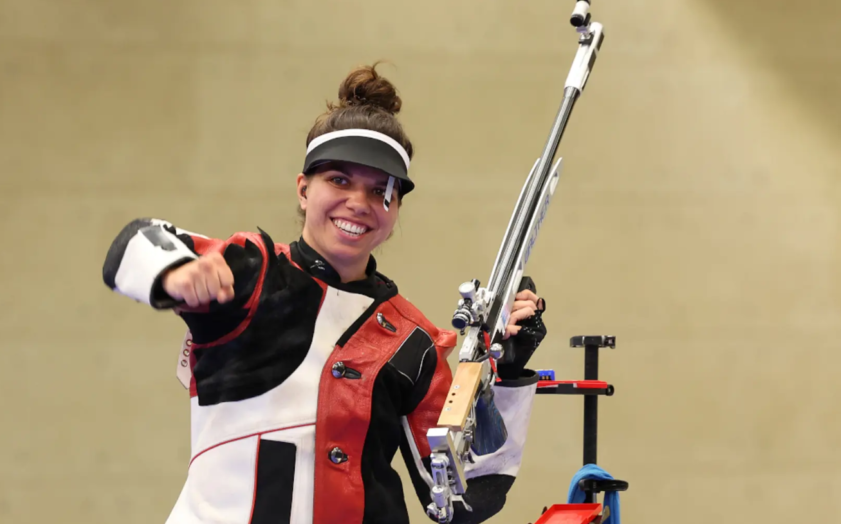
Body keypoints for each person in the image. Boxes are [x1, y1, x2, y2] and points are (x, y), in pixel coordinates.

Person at [101, 63, 548, 524]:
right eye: (339, 180)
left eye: (381, 191)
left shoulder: (414, 342)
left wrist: (506, 374)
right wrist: (175, 273)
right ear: (303, 189)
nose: (359, 202)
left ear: (395, 210)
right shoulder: (251, 274)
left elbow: (466, 501)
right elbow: (138, 243)